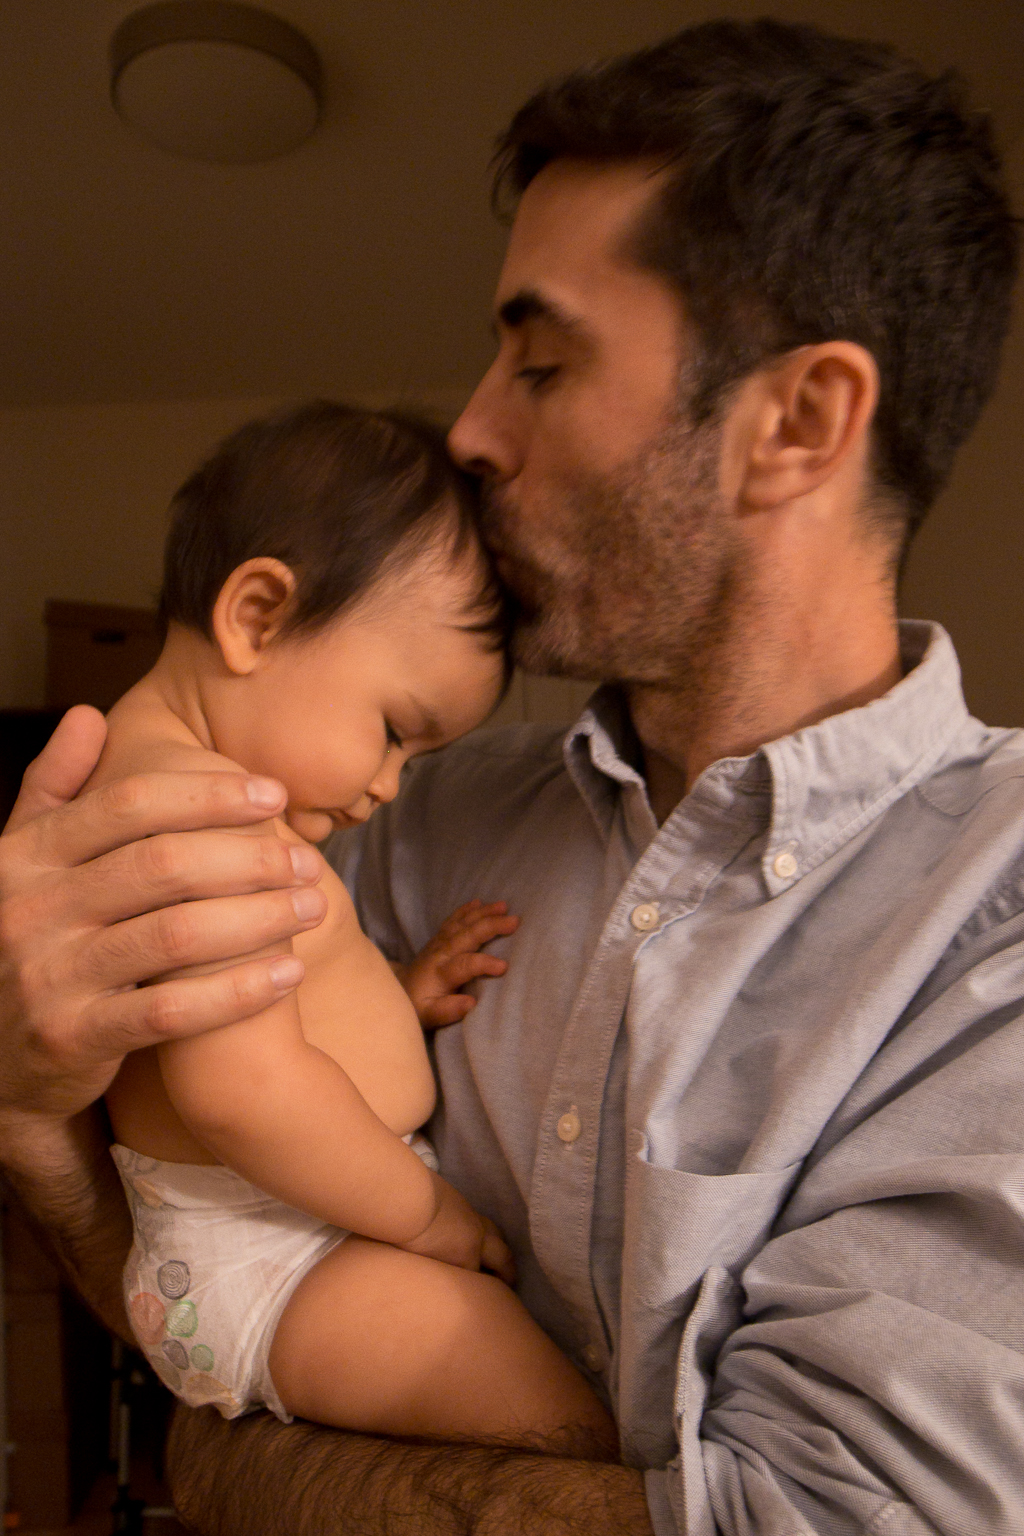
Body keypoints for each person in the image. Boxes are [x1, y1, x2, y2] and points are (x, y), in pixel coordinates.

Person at [0, 17, 1020, 1535]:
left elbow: (818, 1518)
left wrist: (239, 1473)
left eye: (542, 363)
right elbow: (184, 1280)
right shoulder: (402, 816)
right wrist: (29, 1111)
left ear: (798, 423)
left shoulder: (994, 924)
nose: (470, 431)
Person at [93, 400, 613, 1450]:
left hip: (288, 1233)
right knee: (556, 1424)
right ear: (257, 617)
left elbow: (253, 1011)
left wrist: (386, 995)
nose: (388, 786)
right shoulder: (199, 823)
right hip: (276, 1257)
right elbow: (239, 1093)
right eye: (392, 731)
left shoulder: (182, 792)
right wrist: (426, 1214)